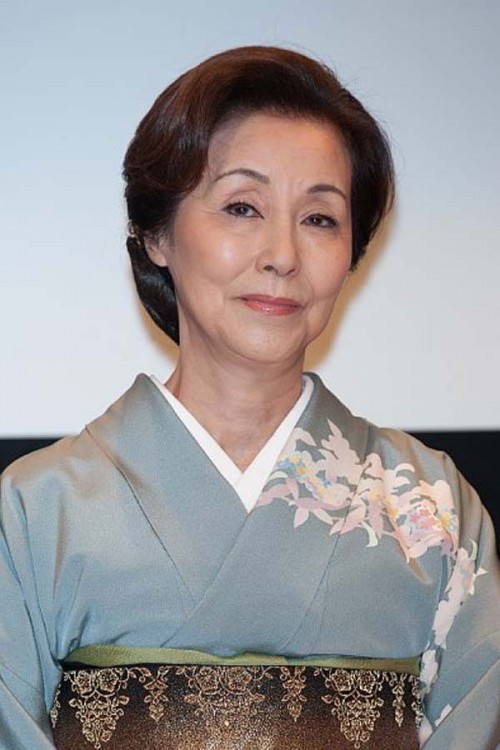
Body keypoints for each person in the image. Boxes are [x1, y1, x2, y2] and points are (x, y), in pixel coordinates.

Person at [0, 46, 499, 750]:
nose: (283, 256)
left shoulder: (432, 510)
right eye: (242, 207)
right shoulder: (35, 512)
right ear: (156, 234)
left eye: (320, 218)